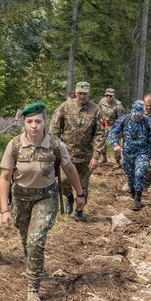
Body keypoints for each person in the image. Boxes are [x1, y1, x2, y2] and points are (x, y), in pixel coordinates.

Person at [0, 102, 86, 301]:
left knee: (35, 240)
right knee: (25, 239)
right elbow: (4, 178)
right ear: (24, 123)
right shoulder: (15, 145)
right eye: (29, 121)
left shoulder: (55, 145)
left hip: (45, 197)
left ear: (44, 122)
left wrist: (80, 194)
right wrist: (4, 209)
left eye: (38, 121)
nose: (34, 126)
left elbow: (70, 170)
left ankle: (33, 287)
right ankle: (34, 266)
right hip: (20, 198)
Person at [49, 81, 104, 221]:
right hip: (66, 154)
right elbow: (54, 129)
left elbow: (100, 133)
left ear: (88, 94)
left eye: (85, 93)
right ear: (75, 93)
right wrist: (54, 148)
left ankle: (79, 210)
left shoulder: (96, 110)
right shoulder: (65, 107)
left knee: (83, 186)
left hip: (86, 156)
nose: (82, 96)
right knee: (63, 182)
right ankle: (69, 198)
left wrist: (96, 156)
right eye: (80, 93)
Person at [109, 101, 151, 211]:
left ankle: (138, 198)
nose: (137, 117)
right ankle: (132, 192)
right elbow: (112, 132)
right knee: (130, 176)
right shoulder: (124, 120)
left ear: (142, 113)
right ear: (132, 112)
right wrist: (115, 144)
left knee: (140, 173)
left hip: (142, 153)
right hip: (127, 154)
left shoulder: (148, 123)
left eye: (139, 115)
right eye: (135, 115)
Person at [98, 87, 127, 166]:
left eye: (110, 96)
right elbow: (99, 113)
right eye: (107, 95)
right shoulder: (102, 102)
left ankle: (117, 161)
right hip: (104, 124)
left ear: (113, 96)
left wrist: (119, 130)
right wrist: (101, 122)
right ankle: (103, 157)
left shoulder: (118, 105)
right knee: (100, 141)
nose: (108, 97)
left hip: (114, 125)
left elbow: (121, 119)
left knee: (115, 143)